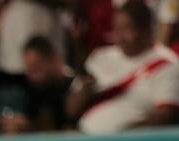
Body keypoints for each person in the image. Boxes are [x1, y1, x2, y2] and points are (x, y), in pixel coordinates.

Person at [70, 2, 179, 133]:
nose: (119, 37)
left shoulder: (167, 64)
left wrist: (122, 137)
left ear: (146, 30)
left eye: (126, 29)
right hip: (82, 138)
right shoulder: (99, 57)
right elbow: (70, 110)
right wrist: (85, 90)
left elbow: (165, 116)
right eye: (117, 29)